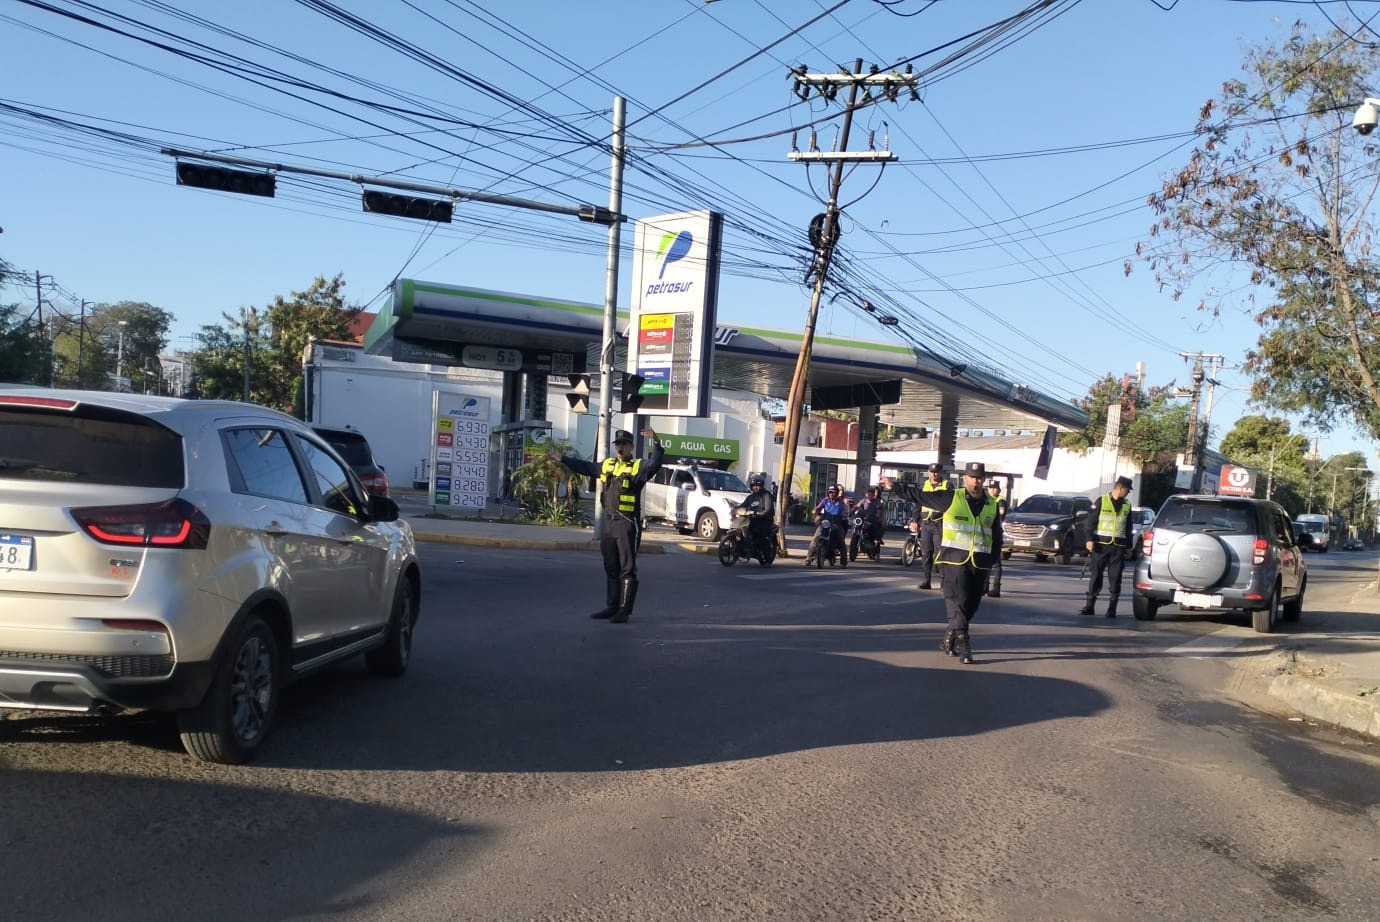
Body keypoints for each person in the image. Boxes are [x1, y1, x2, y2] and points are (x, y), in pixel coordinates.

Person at [884, 462, 999, 665]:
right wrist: (895, 488)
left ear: (984, 479)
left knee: (971, 605)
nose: (976, 481)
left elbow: (996, 536)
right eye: (972, 477)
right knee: (957, 600)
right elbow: (921, 496)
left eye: (980, 477)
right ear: (964, 478)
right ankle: (964, 644)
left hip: (979, 563)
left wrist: (993, 564)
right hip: (954, 559)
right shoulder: (952, 497)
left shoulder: (992, 503)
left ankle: (949, 637)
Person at [552, 427, 663, 623]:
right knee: (611, 566)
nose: (620, 447)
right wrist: (563, 459)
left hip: (627, 523)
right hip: (609, 523)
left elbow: (655, 463)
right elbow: (586, 467)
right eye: (617, 444)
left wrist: (656, 442)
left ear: (631, 447)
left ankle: (624, 610)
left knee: (627, 568)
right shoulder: (607, 465)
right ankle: (612, 606)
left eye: (624, 444)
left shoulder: (638, 467)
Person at [1080, 475, 1135, 618]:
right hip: (1100, 546)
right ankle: (1090, 606)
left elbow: (1128, 527)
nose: (1128, 493)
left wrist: (1129, 546)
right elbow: (1090, 523)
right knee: (1096, 576)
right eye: (1128, 490)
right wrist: (1089, 539)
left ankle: (1112, 609)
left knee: (1115, 578)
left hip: (1118, 548)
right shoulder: (1101, 501)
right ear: (1121, 489)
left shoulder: (1127, 505)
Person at [911, 462, 951, 589]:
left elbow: (951, 504)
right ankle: (926, 580)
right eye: (932, 472)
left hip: (940, 523)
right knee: (926, 553)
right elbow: (918, 503)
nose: (934, 474)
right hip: (926, 524)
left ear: (941, 473)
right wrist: (915, 520)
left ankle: (943, 581)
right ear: (928, 472)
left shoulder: (947, 485)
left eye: (936, 472)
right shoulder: (924, 485)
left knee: (940, 553)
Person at [809, 484, 849, 565]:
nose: (831, 494)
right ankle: (808, 559)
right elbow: (817, 508)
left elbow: (845, 511)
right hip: (825, 523)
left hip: (836, 524)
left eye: (833, 492)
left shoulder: (841, 502)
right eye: (829, 492)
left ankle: (844, 561)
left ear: (837, 493)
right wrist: (815, 511)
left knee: (841, 541)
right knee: (815, 539)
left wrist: (844, 514)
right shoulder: (825, 501)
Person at [740, 474, 776, 557]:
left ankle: (767, 555)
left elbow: (768, 508)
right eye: (754, 485)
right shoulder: (751, 497)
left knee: (762, 536)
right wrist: (735, 508)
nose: (756, 487)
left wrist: (761, 514)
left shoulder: (767, 495)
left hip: (765, 520)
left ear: (762, 486)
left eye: (758, 485)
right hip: (752, 519)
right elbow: (743, 505)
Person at [849, 485, 887, 561]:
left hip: (872, 522)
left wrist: (877, 516)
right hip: (863, 520)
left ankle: (876, 551)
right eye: (868, 494)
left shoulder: (877, 502)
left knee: (877, 536)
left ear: (874, 495)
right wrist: (852, 511)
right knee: (855, 530)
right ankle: (853, 552)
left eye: (872, 494)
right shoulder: (863, 500)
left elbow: (879, 511)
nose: (870, 495)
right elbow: (857, 506)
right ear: (866, 494)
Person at [985, 479, 1008, 597]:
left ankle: (996, 587)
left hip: (995, 534)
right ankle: (984, 586)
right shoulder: (985, 499)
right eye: (991, 488)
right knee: (985, 561)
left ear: (999, 490)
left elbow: (1000, 515)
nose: (992, 490)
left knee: (996, 562)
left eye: (995, 488)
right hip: (985, 534)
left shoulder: (1001, 501)